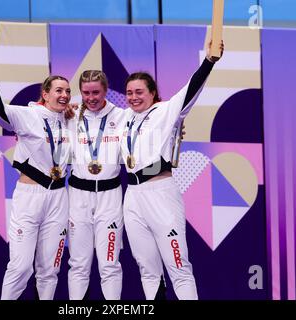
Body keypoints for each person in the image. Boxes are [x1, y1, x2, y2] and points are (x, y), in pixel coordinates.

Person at [121, 42, 224, 300]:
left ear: (153, 92)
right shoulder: (124, 117)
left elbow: (193, 87)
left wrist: (209, 61)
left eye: (139, 92)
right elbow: (90, 113)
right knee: (147, 268)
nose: (134, 97)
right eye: (129, 92)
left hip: (160, 193)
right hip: (132, 195)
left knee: (178, 267)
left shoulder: (167, 111)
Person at [0, 61, 72, 300]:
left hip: (59, 197)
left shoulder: (72, 120)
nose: (64, 95)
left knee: (50, 269)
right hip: (29, 197)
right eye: (58, 90)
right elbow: (0, 112)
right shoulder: (28, 114)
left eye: (68, 91)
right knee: (20, 267)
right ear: (45, 94)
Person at [66, 70, 125, 300]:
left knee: (110, 263)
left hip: (110, 196)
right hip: (78, 197)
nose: (91, 98)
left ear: (106, 90)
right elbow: (38, 112)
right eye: (86, 93)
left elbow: (150, 122)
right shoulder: (69, 116)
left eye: (96, 93)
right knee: (78, 264)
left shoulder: (120, 116)